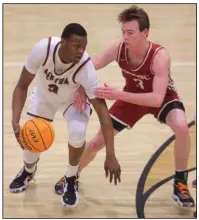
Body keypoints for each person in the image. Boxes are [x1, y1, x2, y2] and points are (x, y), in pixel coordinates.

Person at [55, 6, 195, 208]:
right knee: (97, 142)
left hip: (163, 98)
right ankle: (71, 176)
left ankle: (180, 184)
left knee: (181, 127)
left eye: (130, 32)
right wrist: (80, 86)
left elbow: (156, 99)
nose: (125, 36)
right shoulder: (119, 48)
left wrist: (117, 94)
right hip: (131, 98)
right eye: (123, 32)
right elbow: (92, 63)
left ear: (145, 32)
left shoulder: (159, 56)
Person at [10, 23, 121, 208]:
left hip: (72, 102)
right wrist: (15, 121)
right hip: (45, 97)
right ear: (63, 42)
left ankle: (71, 177)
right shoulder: (43, 49)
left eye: (83, 47)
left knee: (77, 133)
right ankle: (29, 170)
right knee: (31, 144)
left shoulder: (86, 68)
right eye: (76, 46)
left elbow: (103, 115)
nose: (81, 51)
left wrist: (111, 154)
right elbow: (22, 84)